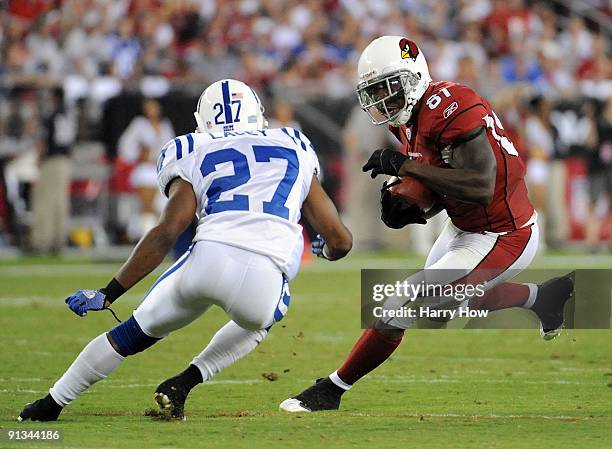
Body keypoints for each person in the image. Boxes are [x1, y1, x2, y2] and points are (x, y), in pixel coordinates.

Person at [18, 79, 352, 422]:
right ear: (258, 113)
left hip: (208, 260)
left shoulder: (192, 147)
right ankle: (187, 380)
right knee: (266, 310)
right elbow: (340, 239)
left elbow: (167, 232)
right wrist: (326, 250)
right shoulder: (294, 144)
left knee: (130, 334)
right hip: (263, 280)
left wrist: (109, 293)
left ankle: (50, 404)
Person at [280, 36, 573, 413]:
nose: (384, 100)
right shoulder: (409, 118)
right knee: (445, 304)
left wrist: (405, 167)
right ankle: (544, 298)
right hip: (463, 228)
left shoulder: (454, 106)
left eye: (389, 88)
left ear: (414, 77)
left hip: (504, 234)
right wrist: (411, 207)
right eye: (375, 92)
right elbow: (442, 182)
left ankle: (332, 390)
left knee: (402, 302)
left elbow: (481, 186)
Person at [30, 87, 76, 255]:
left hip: (51, 160)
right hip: (65, 160)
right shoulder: (68, 115)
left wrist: (38, 160)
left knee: (44, 201)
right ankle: (59, 239)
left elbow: (44, 140)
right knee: (60, 201)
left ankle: (42, 240)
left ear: (54, 97)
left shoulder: (51, 115)